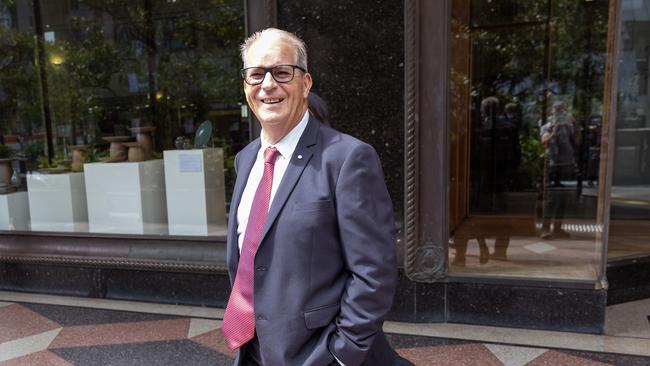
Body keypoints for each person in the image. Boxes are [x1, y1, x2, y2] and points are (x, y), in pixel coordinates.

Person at [221, 28, 406, 366]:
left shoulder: (348, 158)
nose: (267, 85)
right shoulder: (246, 159)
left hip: (319, 355)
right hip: (254, 350)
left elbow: (373, 273)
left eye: (281, 72)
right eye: (256, 74)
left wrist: (341, 354)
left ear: (305, 83)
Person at [539, 100, 576, 239]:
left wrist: (574, 125)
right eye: (557, 110)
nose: (559, 113)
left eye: (561, 110)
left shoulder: (568, 126)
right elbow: (544, 141)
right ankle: (545, 229)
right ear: (552, 112)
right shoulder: (547, 126)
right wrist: (553, 130)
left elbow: (577, 141)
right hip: (552, 165)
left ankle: (558, 228)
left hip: (566, 163)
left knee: (563, 198)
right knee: (550, 198)